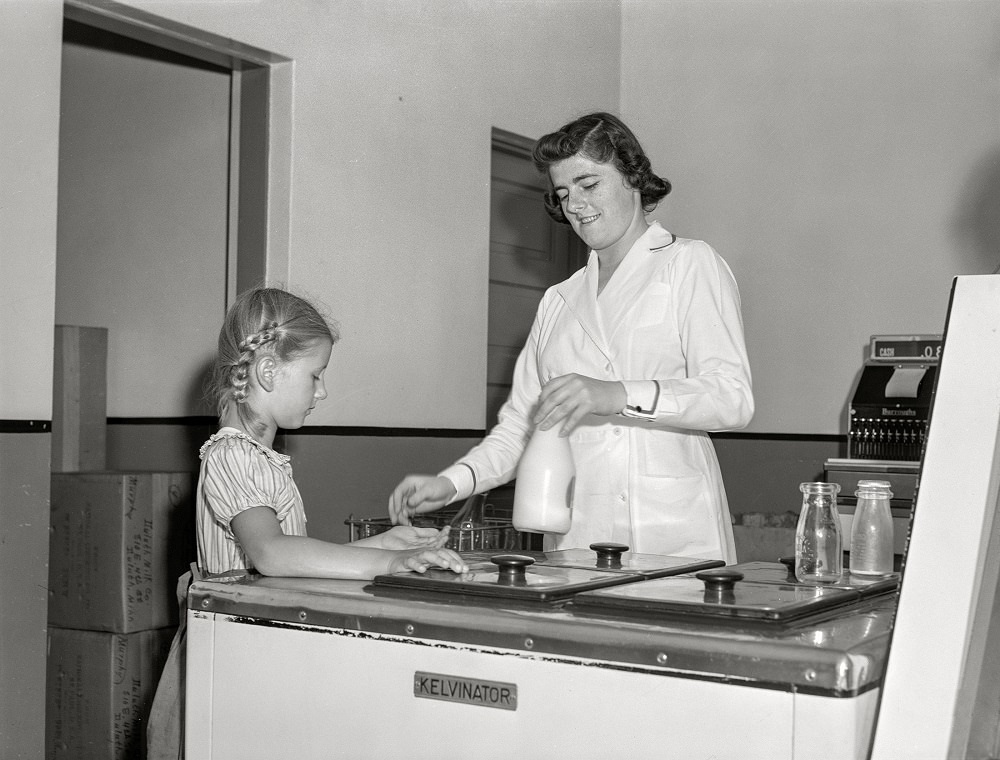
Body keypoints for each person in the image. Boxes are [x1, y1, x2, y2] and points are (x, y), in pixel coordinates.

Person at [388, 112, 753, 562]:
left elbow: (731, 397)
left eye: (588, 184)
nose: (574, 204)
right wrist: (452, 482)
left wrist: (616, 394)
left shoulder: (689, 264)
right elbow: (525, 424)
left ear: (633, 179)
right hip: (580, 528)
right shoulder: (558, 300)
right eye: (563, 194)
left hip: (672, 531)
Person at [148, 286, 467, 759]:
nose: (323, 391)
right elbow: (272, 555)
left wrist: (384, 544)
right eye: (316, 375)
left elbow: (289, 559)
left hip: (256, 649)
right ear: (268, 371)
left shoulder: (259, 459)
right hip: (234, 661)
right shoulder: (231, 455)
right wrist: (391, 562)